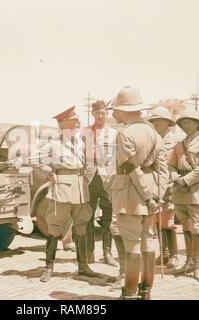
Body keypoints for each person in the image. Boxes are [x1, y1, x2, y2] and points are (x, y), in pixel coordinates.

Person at [109, 86, 168, 300]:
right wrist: (158, 195)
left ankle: (130, 293)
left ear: (125, 110)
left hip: (131, 197)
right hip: (150, 195)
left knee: (132, 246)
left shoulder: (125, 134)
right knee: (148, 243)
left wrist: (148, 196)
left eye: (116, 110)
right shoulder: (154, 134)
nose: (113, 114)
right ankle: (146, 292)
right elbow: (163, 170)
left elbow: (132, 169)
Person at [38, 106, 100, 282]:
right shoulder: (54, 144)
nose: (79, 122)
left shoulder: (80, 143)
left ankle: (83, 267)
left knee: (82, 225)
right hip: (62, 188)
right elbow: (33, 159)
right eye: (75, 120)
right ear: (64, 123)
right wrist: (49, 171)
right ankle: (49, 267)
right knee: (54, 227)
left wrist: (85, 180)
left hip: (80, 188)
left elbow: (89, 163)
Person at [169, 110, 199, 282]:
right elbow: (171, 164)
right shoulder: (179, 144)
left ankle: (198, 265)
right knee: (186, 228)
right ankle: (188, 261)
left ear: (197, 124)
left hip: (197, 190)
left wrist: (185, 180)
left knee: (196, 229)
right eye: (183, 123)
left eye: (188, 122)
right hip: (180, 192)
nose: (185, 126)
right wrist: (175, 178)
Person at [83, 100, 119, 267]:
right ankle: (88, 252)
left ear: (107, 114)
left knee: (107, 218)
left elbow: (116, 157)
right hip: (89, 179)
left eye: (103, 113)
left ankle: (107, 252)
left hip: (106, 179)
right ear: (92, 114)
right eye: (97, 113)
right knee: (88, 216)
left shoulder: (113, 133)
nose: (100, 116)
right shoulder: (84, 133)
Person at [148, 106, 182, 270]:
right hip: (154, 184)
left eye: (159, 121)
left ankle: (174, 255)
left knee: (167, 222)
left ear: (167, 122)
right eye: (154, 121)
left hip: (169, 185)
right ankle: (164, 252)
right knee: (157, 222)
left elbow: (179, 163)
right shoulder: (152, 138)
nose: (156, 124)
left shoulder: (175, 140)